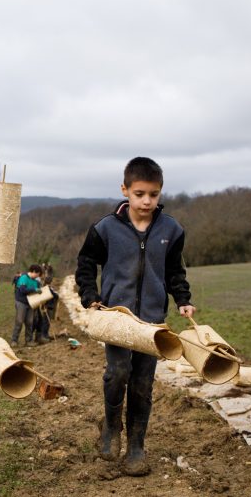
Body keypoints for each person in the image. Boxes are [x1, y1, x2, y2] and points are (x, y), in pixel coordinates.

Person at [75, 156, 195, 477]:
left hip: (152, 324)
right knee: (117, 373)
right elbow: (86, 263)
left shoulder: (171, 229)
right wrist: (90, 296)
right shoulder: (105, 228)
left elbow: (174, 272)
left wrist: (183, 299)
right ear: (125, 189)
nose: (146, 201)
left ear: (160, 193)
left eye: (153, 195)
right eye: (139, 193)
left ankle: (136, 446)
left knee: (142, 383)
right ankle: (111, 429)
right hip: (118, 318)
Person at [11, 264, 43, 346]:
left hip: (31, 303)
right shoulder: (24, 278)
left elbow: (37, 292)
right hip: (21, 302)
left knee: (29, 322)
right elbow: (22, 290)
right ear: (34, 272)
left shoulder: (36, 281)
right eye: (37, 274)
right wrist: (34, 289)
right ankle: (14, 340)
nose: (37, 277)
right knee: (19, 321)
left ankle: (28, 341)